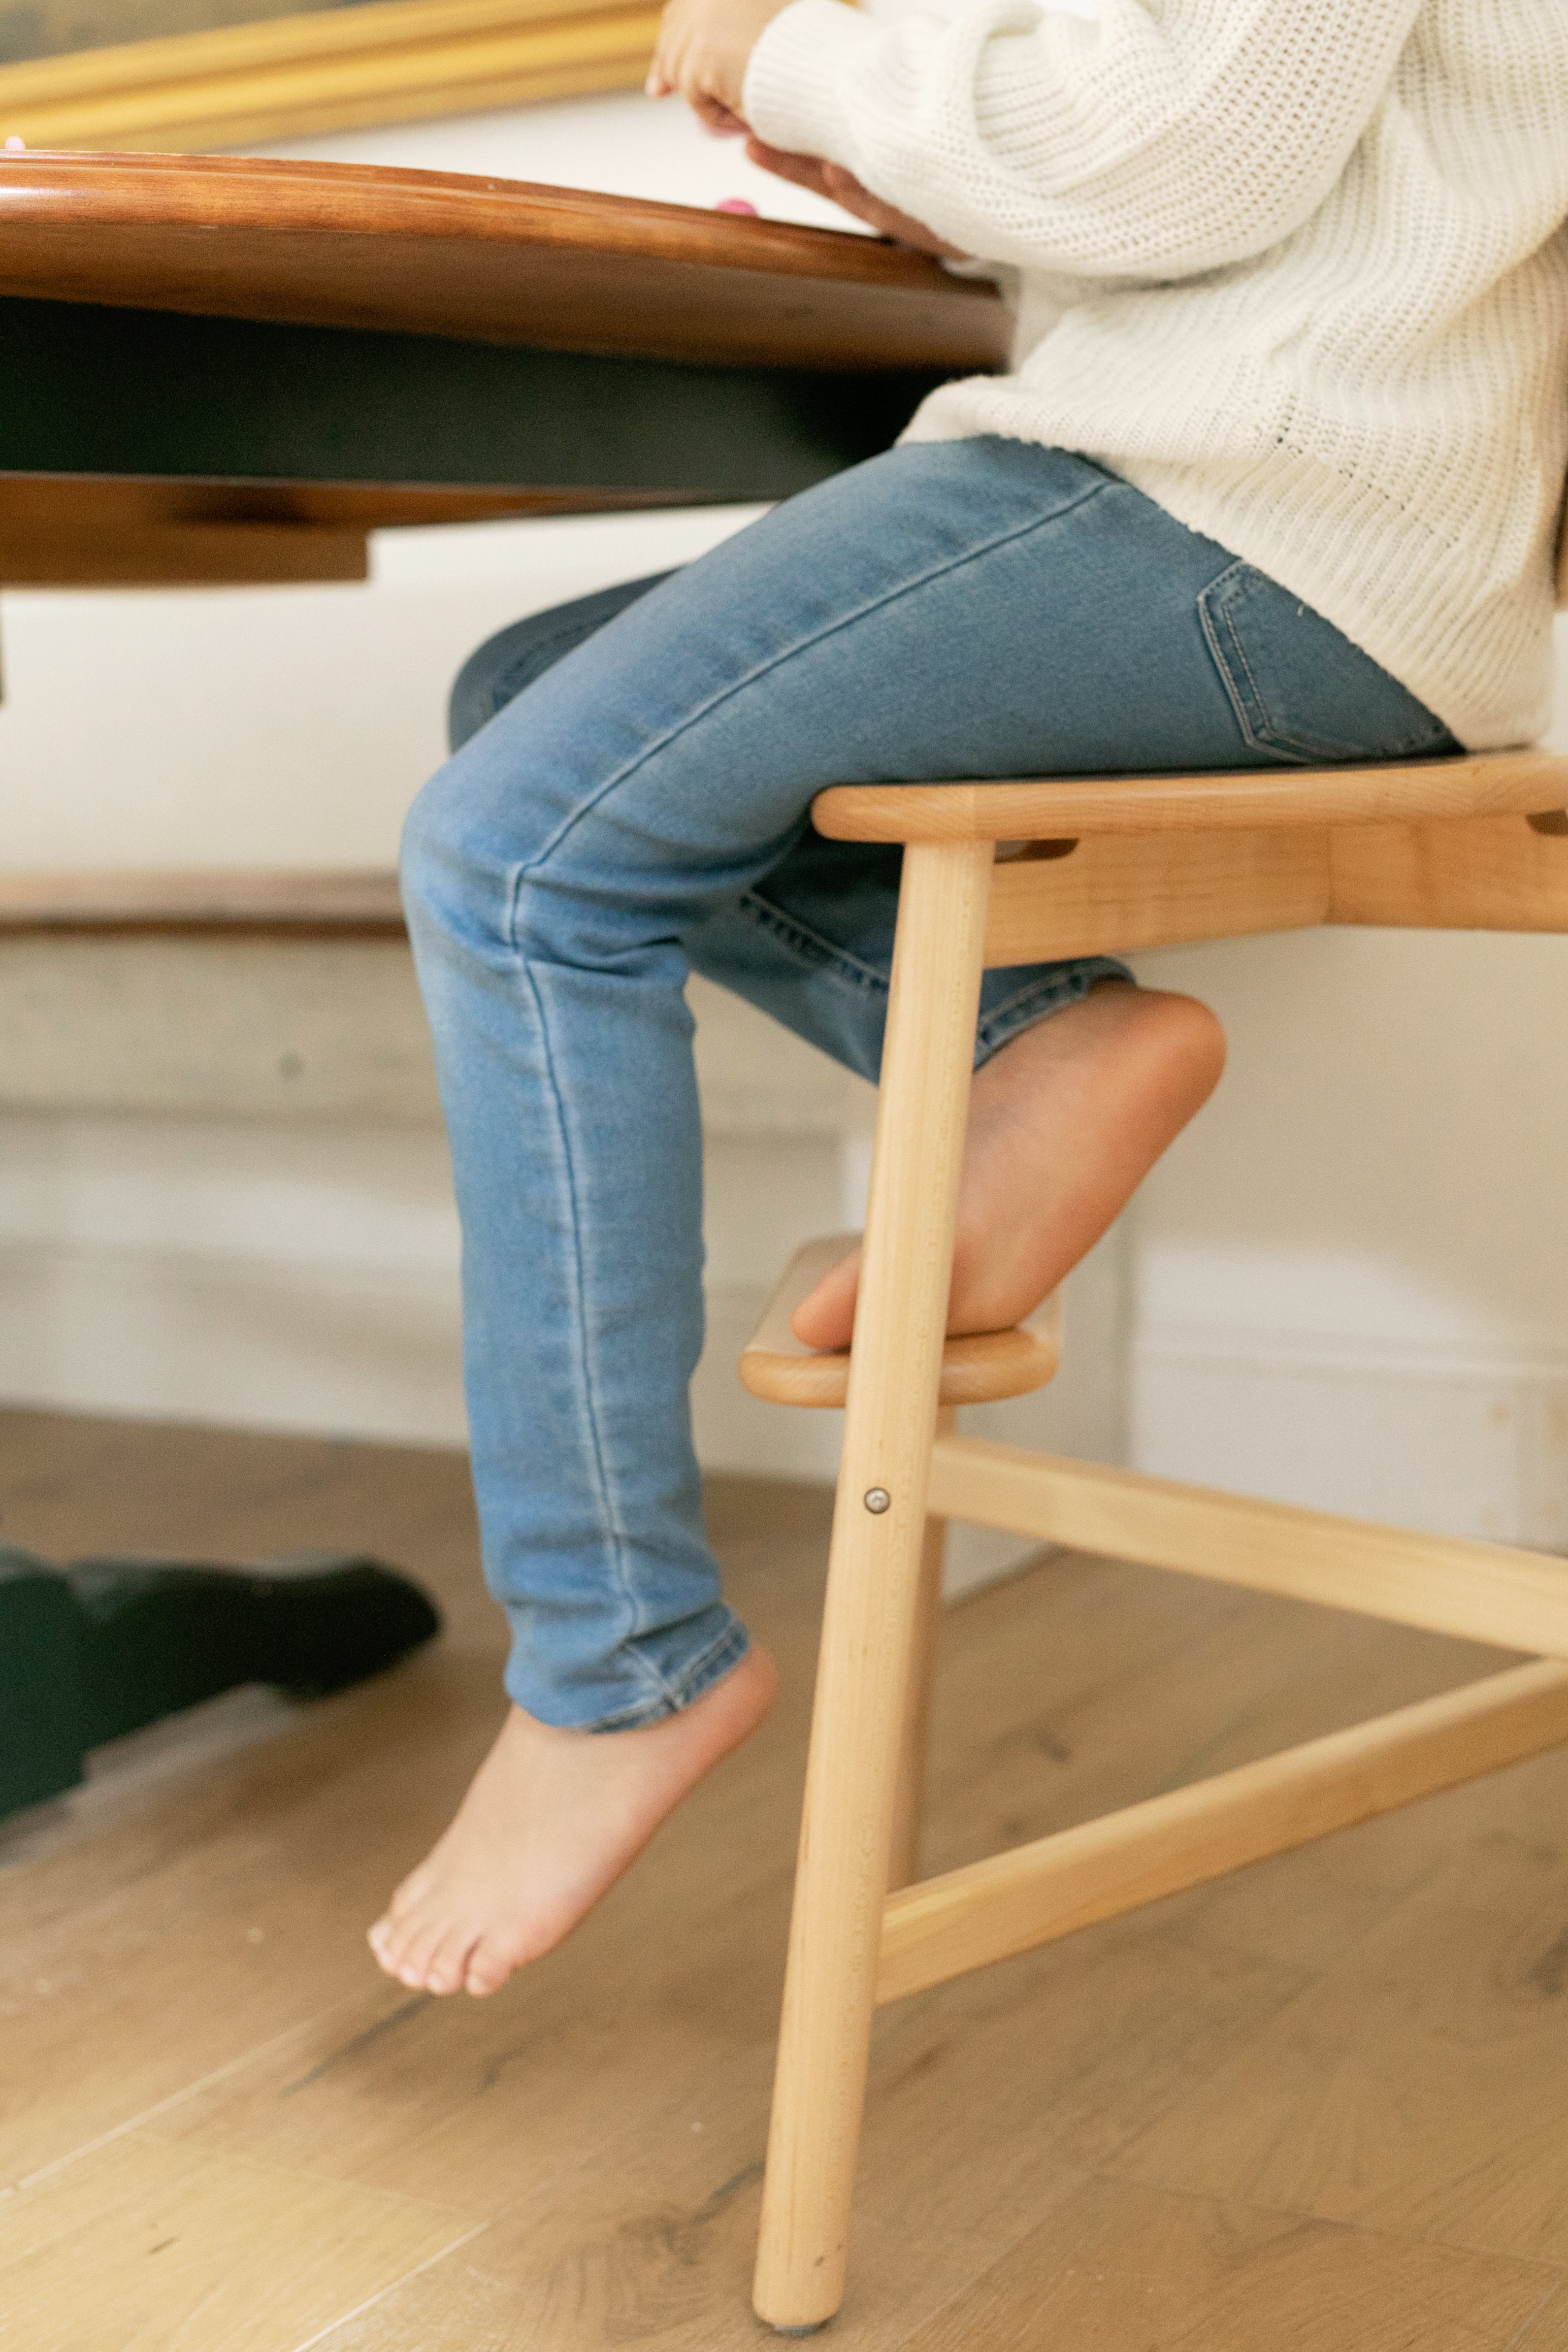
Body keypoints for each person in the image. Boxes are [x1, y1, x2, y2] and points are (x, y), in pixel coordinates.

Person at [369, 0, 1568, 1998]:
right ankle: (1054, 1034)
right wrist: (913, 173)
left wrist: (785, 48)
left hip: (1246, 507)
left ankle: (615, 1665)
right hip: (1327, 529)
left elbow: (1178, 153)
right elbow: (1259, 161)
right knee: (526, 716)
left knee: (517, 852)